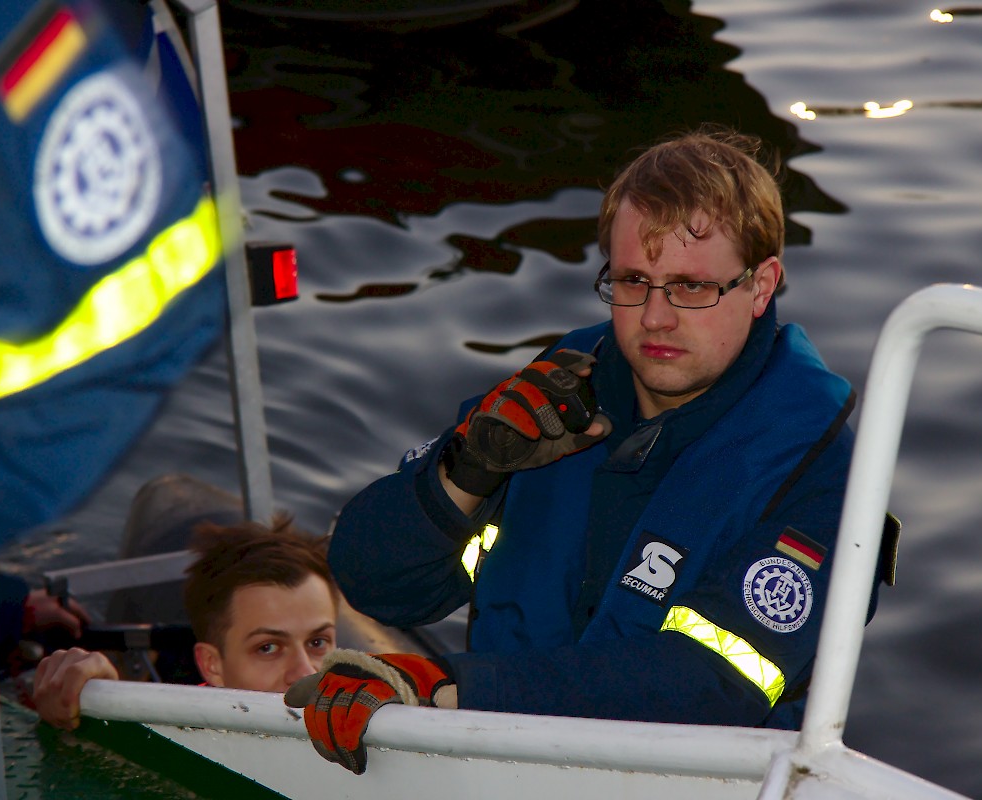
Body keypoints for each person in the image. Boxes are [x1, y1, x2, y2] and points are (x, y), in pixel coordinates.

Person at [291, 125, 895, 773]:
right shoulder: (557, 392)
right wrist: (462, 476)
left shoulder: (819, 471)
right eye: (634, 280)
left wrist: (445, 687)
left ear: (761, 285)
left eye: (691, 286)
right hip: (500, 771)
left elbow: (709, 687)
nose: (656, 317)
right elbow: (373, 583)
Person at [33, 514, 339, 730]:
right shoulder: (180, 737)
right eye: (268, 647)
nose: (305, 673)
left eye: (317, 642)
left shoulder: (372, 714)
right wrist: (100, 703)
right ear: (212, 665)